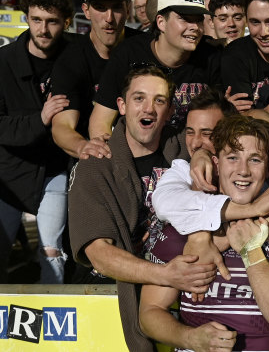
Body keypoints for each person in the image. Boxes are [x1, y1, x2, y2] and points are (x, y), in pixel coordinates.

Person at [69, 66, 217, 352]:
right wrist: (165, 275)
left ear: (170, 109)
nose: (148, 108)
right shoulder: (96, 165)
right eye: (139, 98)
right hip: (110, 296)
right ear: (122, 106)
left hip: (182, 293)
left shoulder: (182, 146)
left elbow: (235, 133)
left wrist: (201, 151)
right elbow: (99, 254)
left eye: (159, 100)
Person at [141, 115, 269, 351]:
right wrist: (189, 338)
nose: (243, 171)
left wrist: (251, 250)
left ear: (268, 167)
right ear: (216, 163)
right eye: (232, 158)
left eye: (255, 159)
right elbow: (150, 313)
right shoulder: (183, 224)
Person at [0, 0, 74, 284]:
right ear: (26, 17)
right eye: (36, 20)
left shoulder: (74, 57)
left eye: (52, 21)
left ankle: (51, 319)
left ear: (66, 22)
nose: (43, 29)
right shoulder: (4, 63)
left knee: (52, 251)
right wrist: (40, 118)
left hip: (53, 169)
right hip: (7, 172)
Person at [88, 0, 221, 139]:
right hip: (138, 153)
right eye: (184, 19)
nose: (194, 27)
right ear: (161, 22)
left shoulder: (212, 56)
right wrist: (112, 158)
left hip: (192, 153)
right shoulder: (129, 53)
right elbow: (100, 121)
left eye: (198, 20)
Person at [51, 0, 139, 162]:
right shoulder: (71, 59)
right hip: (92, 158)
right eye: (100, 8)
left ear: (128, 10)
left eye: (116, 8)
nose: (109, 18)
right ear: (86, 10)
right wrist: (82, 146)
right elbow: (61, 125)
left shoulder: (143, 48)